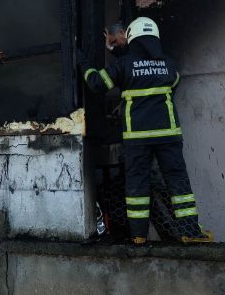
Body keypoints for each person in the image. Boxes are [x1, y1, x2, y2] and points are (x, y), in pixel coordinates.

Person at [81, 17, 212, 245]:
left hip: (137, 139)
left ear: (131, 38)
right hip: (168, 135)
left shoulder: (123, 65)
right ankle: (191, 232)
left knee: (137, 185)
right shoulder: (169, 65)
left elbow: (96, 84)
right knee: (179, 183)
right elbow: (174, 82)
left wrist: (85, 65)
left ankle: (139, 235)